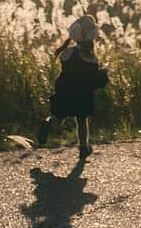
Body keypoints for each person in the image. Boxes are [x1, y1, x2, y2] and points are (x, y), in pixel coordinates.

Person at [35, 13, 108, 159]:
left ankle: (47, 125)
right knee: (82, 120)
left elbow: (66, 67)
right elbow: (92, 76)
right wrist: (103, 73)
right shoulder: (90, 57)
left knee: (57, 117)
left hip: (64, 90)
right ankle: (83, 147)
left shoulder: (66, 52)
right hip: (82, 93)